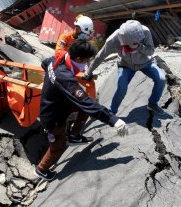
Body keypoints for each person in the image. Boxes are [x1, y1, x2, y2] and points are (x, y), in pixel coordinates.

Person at [34, 39, 128, 181]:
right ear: (78, 59)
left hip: (57, 104)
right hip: (53, 117)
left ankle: (74, 136)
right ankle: (41, 170)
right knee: (58, 146)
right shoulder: (64, 76)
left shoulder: (56, 60)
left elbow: (44, 63)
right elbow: (85, 101)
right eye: (86, 61)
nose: (85, 65)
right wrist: (113, 120)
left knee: (83, 107)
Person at [82, 20, 166, 115]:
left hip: (145, 62)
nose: (131, 47)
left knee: (161, 79)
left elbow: (151, 51)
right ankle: (112, 112)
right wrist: (88, 71)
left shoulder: (145, 32)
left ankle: (153, 104)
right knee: (122, 88)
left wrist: (140, 47)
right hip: (125, 64)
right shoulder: (113, 40)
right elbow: (100, 56)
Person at [55, 15, 96, 144]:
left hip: (78, 71)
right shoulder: (65, 37)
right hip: (65, 70)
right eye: (83, 32)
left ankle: (92, 106)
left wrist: (89, 71)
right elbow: (58, 52)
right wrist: (71, 58)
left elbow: (88, 56)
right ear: (77, 28)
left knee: (91, 84)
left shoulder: (84, 41)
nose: (85, 36)